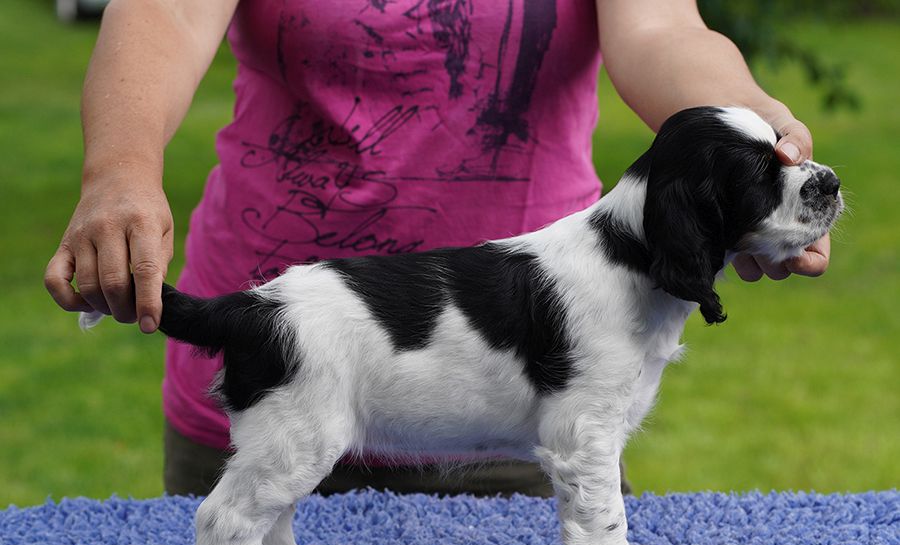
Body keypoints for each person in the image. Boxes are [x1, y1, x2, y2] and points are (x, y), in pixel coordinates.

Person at [45, 0, 830, 498]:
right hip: (283, 336)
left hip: (530, 362)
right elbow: (166, 14)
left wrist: (753, 133)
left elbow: (660, 27)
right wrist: (119, 167)